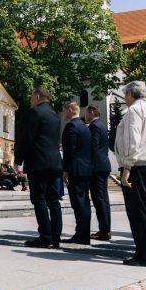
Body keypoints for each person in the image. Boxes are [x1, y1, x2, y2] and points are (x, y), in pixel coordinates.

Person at [115, 81, 146, 267]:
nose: (124, 97)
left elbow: (132, 140)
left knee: (137, 211)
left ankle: (145, 255)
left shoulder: (134, 111)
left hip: (137, 165)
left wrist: (127, 167)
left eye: (125, 94)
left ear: (130, 94)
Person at [14, 86, 63, 249]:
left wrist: (18, 159)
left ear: (37, 96)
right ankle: (56, 236)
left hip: (39, 163)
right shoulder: (54, 115)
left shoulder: (34, 113)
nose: (30, 100)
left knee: (39, 199)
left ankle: (45, 236)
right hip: (55, 163)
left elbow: (26, 138)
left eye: (31, 97)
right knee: (53, 200)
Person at [61, 101, 92, 245]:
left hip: (76, 170)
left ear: (69, 110)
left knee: (78, 203)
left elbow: (69, 151)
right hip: (86, 169)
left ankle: (81, 234)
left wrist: (65, 170)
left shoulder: (71, 127)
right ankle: (83, 233)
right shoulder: (85, 127)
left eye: (63, 111)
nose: (62, 114)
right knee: (84, 202)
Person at [85, 104, 112, 241]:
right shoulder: (102, 125)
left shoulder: (94, 126)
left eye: (86, 113)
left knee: (99, 198)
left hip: (97, 167)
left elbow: (93, 147)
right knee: (103, 198)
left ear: (91, 112)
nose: (85, 116)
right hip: (103, 165)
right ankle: (106, 228)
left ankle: (104, 230)